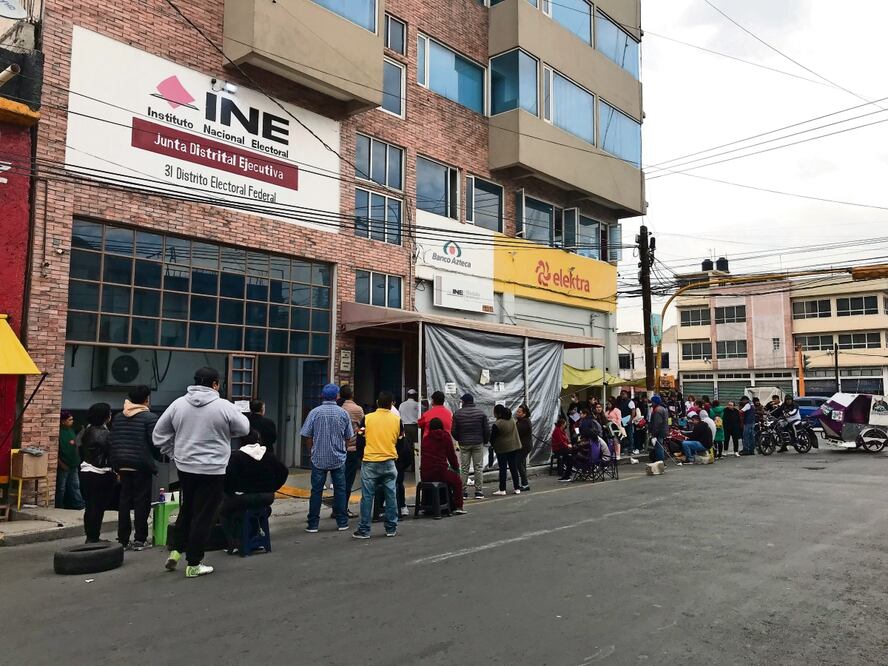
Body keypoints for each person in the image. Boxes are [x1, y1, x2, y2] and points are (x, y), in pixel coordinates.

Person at [153, 367, 251, 578]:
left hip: (185, 467)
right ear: (215, 384)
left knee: (188, 508)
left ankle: (177, 551)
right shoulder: (223, 406)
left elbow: (158, 434)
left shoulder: (178, 404)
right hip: (213, 469)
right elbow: (244, 428)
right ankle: (194, 563)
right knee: (204, 515)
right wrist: (227, 431)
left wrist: (174, 453)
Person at [220, 429, 289, 553]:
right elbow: (284, 471)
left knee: (224, 512)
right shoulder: (268, 455)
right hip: (266, 497)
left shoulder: (237, 457)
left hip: (243, 497)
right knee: (265, 510)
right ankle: (255, 537)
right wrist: (273, 487)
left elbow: (228, 478)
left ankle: (234, 543)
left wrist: (230, 492)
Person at [110, 385, 161, 550]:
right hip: (140, 465)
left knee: (124, 502)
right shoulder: (149, 417)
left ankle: (123, 539)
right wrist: (160, 458)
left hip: (122, 464)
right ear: (146, 399)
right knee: (141, 502)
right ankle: (140, 538)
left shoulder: (118, 417)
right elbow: (155, 443)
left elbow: (114, 440)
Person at [301, 383, 354, 534]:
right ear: (337, 396)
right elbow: (348, 436)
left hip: (318, 457)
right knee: (340, 490)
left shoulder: (314, 412)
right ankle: (342, 522)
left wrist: (312, 451)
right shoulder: (343, 413)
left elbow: (307, 435)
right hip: (338, 457)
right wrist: (342, 448)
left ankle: (313, 524)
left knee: (316, 491)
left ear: (322, 396)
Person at [354, 392, 402, 539]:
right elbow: (400, 441)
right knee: (391, 495)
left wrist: (361, 457)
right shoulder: (397, 420)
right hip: (389, 461)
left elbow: (360, 440)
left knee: (367, 496)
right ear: (391, 404)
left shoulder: (367, 419)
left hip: (370, 462)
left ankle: (364, 529)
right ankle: (391, 528)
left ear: (377, 402)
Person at [78, 402, 113, 543]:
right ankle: (94, 537)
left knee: (90, 507)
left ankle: (90, 536)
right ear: (106, 417)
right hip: (100, 474)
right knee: (97, 508)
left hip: (85, 471)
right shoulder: (105, 434)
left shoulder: (86, 431)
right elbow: (110, 454)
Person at [420, 417, 467, 515]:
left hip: (425, 473)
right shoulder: (445, 436)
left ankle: (427, 505)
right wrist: (456, 468)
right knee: (457, 481)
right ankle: (458, 506)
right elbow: (451, 455)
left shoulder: (425, 439)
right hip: (440, 471)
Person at [451, 393, 490, 500]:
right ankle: (479, 492)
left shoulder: (457, 414)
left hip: (464, 443)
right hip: (478, 443)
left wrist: (459, 438)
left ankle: (463, 492)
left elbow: (453, 431)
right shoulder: (481, 413)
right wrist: (484, 440)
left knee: (464, 468)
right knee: (478, 467)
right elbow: (486, 430)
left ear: (464, 402)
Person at [339, 385, 364, 519]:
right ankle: (343, 508)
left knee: (338, 480)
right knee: (348, 481)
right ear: (352, 395)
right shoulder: (357, 409)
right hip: (352, 449)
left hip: (337, 449)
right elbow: (363, 426)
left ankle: (337, 507)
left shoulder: (338, 408)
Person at [490, 404, 522, 495]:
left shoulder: (497, 424)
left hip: (502, 449)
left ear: (498, 413)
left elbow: (492, 438)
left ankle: (502, 489)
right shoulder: (512, 420)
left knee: (503, 468)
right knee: (513, 468)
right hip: (514, 447)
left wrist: (492, 445)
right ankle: (517, 488)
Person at [56, 411, 84, 510]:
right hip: (64, 464)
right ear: (63, 421)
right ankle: (59, 506)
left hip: (73, 464)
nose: (72, 421)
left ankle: (79, 504)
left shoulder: (71, 431)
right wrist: (60, 463)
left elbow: (76, 444)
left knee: (75, 486)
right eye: (69, 420)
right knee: (61, 488)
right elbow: (56, 451)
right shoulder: (58, 433)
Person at [514, 404, 533, 491]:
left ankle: (525, 483)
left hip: (524, 446)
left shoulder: (524, 422)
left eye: (519, 412)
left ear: (524, 414)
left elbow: (517, 432)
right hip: (523, 445)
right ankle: (524, 483)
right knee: (522, 463)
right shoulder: (521, 421)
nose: (517, 413)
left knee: (518, 463)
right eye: (517, 411)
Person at [551, 416, 573, 481]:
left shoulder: (562, 431)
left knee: (570, 456)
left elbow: (567, 439)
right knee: (570, 456)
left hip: (563, 447)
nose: (565, 425)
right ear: (562, 424)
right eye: (564, 424)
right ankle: (566, 473)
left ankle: (567, 472)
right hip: (558, 448)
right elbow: (561, 442)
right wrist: (568, 446)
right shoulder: (557, 431)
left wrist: (569, 444)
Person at [648, 395, 669, 462]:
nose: (652, 403)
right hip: (663, 430)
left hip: (659, 431)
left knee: (658, 446)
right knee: (660, 445)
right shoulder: (663, 408)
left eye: (652, 402)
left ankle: (660, 461)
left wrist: (654, 432)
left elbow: (657, 423)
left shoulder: (657, 410)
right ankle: (660, 460)